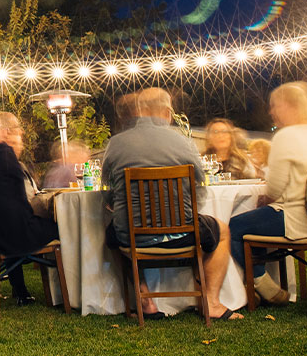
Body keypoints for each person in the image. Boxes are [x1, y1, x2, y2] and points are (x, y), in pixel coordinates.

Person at [102, 88, 240, 320]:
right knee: (223, 231)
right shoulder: (181, 141)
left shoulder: (116, 144)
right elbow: (200, 182)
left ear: (138, 111)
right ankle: (211, 303)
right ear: (167, 112)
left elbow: (107, 189)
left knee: (110, 234)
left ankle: (145, 300)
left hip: (131, 237)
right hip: (183, 234)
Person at [229, 81, 307, 305]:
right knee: (257, 219)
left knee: (233, 227)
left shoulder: (286, 136)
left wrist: (266, 199)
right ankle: (263, 283)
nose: (271, 111)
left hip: (298, 218)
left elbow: (275, 188)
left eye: (275, 106)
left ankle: (263, 285)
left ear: (292, 107)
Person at [0, 112, 58, 306]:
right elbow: (23, 205)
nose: (18, 135)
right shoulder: (6, 157)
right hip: (13, 239)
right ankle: (69, 293)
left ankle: (21, 290)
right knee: (63, 225)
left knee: (16, 222)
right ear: (6, 132)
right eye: (15, 130)